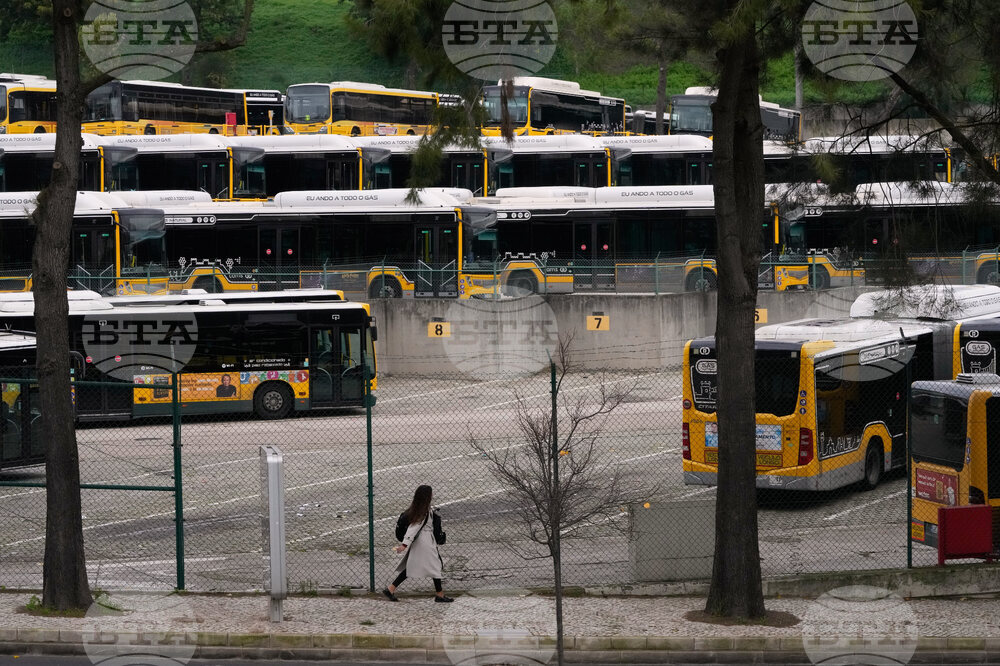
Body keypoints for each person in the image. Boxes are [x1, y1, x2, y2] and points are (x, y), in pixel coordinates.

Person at [384, 485, 452, 602]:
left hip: (423, 542)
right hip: (425, 543)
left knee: (414, 566)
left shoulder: (421, 510)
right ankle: (439, 595)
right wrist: (404, 545)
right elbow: (413, 528)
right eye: (431, 493)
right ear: (427, 496)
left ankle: (391, 589)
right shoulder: (423, 512)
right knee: (435, 567)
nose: (432, 495)